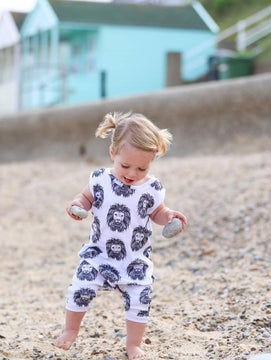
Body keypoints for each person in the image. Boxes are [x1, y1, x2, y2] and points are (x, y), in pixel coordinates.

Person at [54, 112, 187, 359]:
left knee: (140, 300)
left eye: (141, 167)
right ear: (113, 152)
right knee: (80, 286)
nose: (132, 173)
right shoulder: (100, 179)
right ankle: (71, 329)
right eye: (126, 165)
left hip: (134, 259)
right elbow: (86, 197)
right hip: (99, 253)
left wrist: (168, 217)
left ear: (152, 161)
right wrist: (79, 206)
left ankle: (133, 344)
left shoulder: (152, 188)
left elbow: (157, 212)